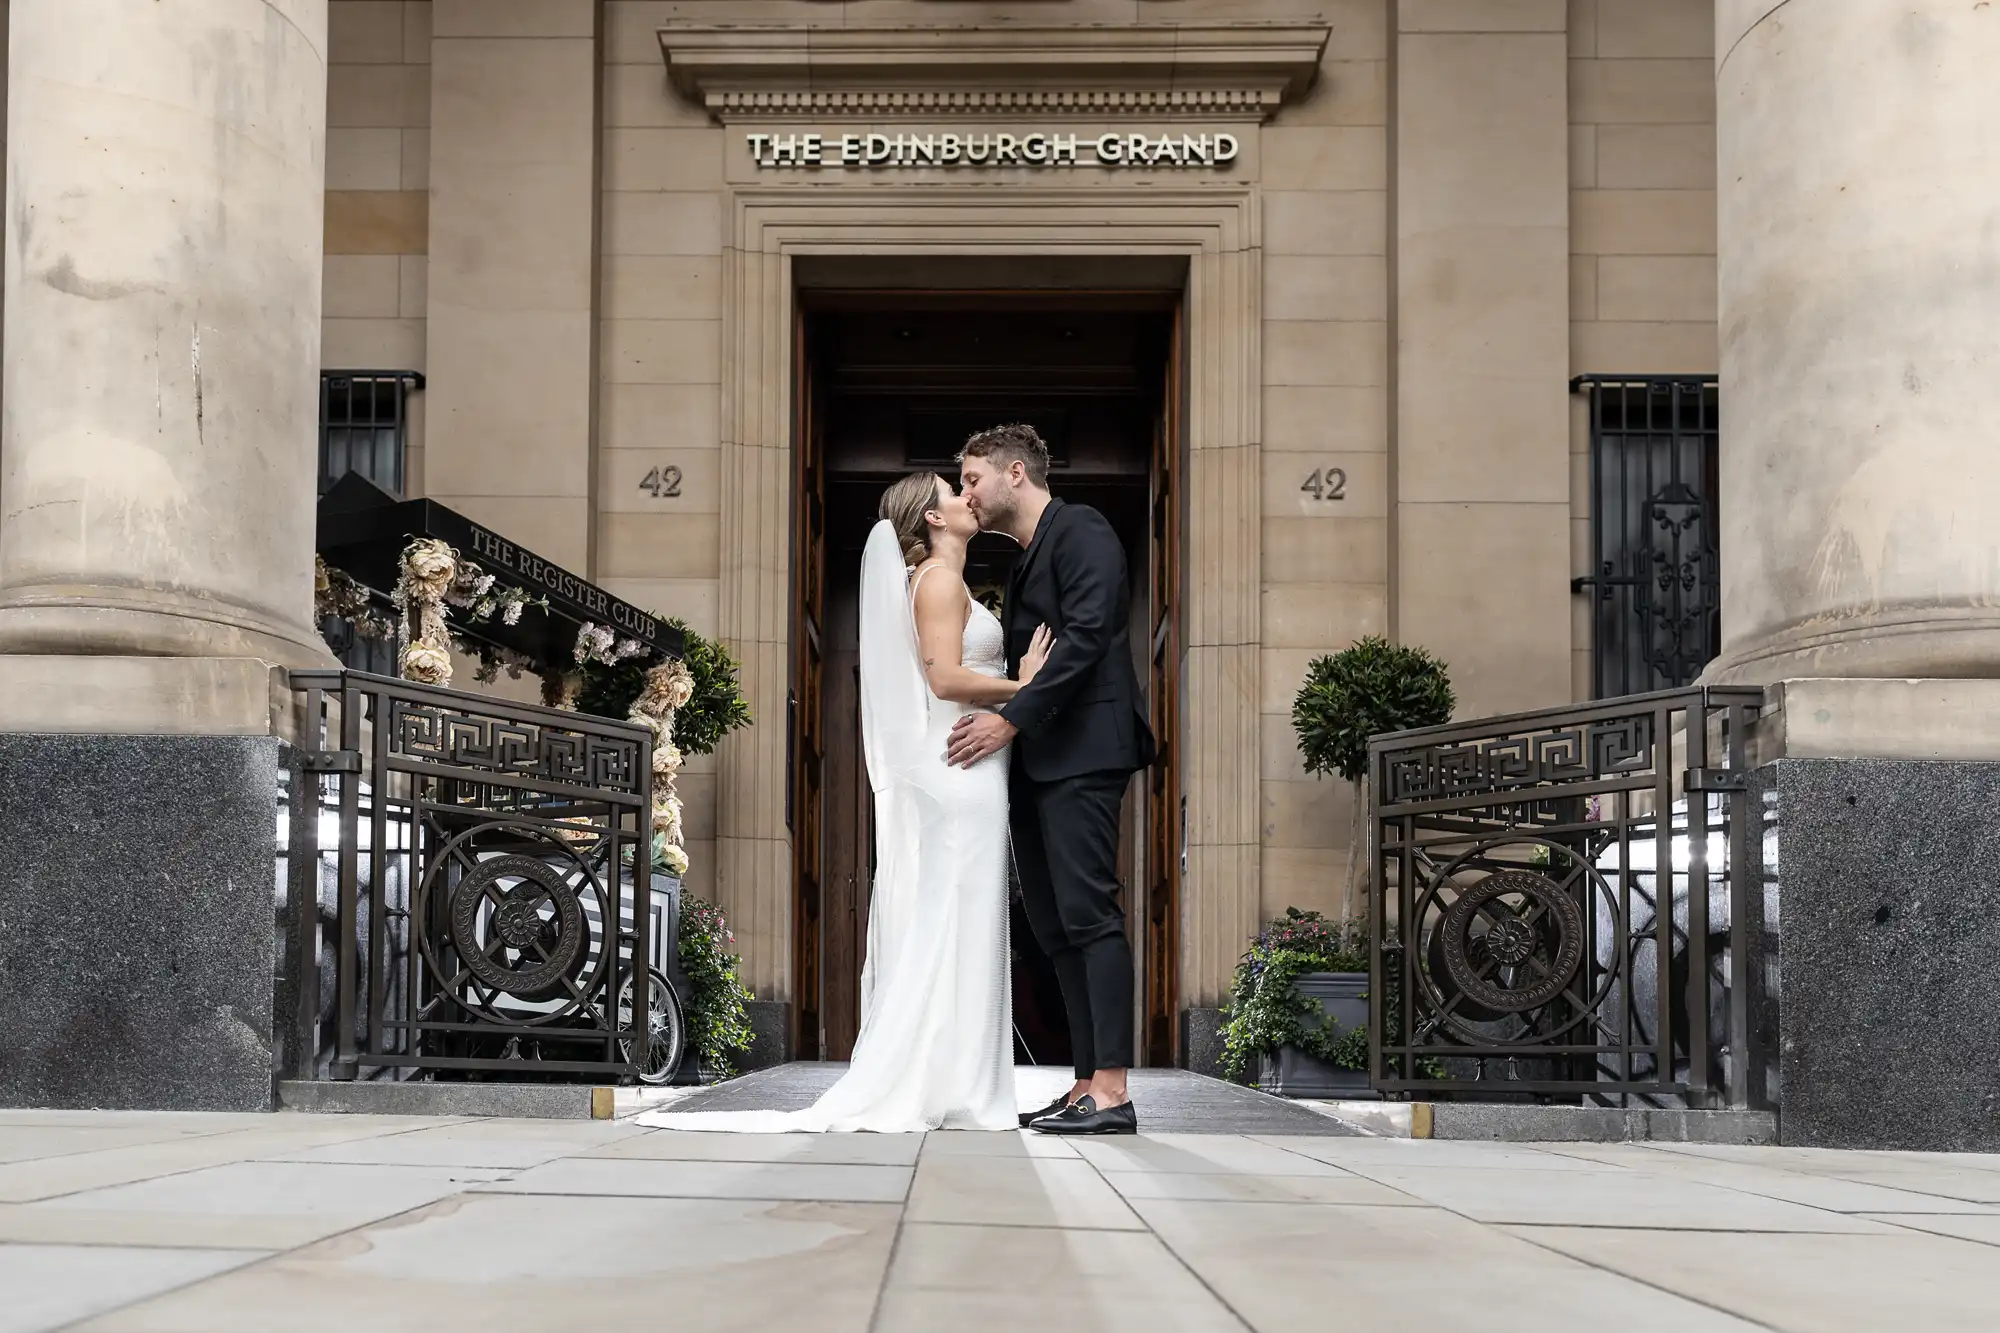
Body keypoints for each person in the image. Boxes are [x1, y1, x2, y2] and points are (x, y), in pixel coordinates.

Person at [635, 472, 1052, 1133]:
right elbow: (943, 677)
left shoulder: (942, 581)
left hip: (962, 767)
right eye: (952, 492)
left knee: (958, 926)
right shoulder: (939, 582)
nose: (966, 498)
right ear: (933, 520)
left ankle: (957, 1082)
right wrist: (1021, 686)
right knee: (959, 926)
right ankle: (958, 1085)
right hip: (960, 766)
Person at [948, 423, 1156, 1136]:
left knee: (1091, 913)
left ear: (1014, 472)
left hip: (1086, 751)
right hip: (1038, 763)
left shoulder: (1083, 529)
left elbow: (1091, 633)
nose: (965, 492)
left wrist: (1011, 718)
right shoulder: (1019, 562)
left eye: (971, 478)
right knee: (1054, 925)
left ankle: (1115, 1088)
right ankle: (1082, 1083)